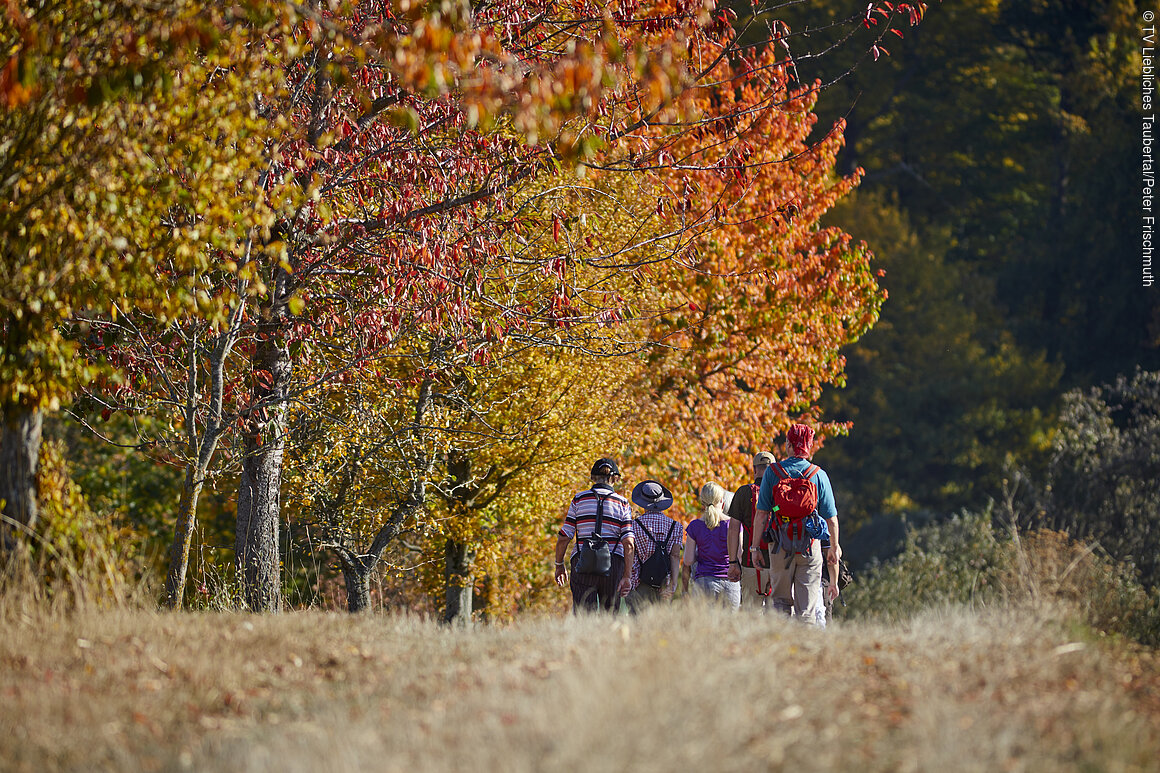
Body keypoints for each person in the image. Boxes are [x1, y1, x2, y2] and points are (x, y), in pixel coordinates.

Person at [750, 424, 841, 623]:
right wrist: (834, 547)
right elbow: (831, 519)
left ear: (789, 445)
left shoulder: (773, 472)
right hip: (809, 547)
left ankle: (782, 650)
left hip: (779, 546)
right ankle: (804, 651)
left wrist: (755, 547)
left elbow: (761, 514)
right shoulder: (818, 474)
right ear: (809, 446)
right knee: (807, 610)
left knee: (780, 603)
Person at [554, 457, 635, 613]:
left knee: (584, 616)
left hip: (582, 563)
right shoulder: (623, 503)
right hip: (613, 564)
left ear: (592, 477)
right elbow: (629, 542)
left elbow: (565, 536)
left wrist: (559, 565)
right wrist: (627, 576)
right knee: (611, 615)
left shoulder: (579, 499)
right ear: (615, 478)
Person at [624, 480, 683, 613]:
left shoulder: (633, 526)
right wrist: (673, 584)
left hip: (638, 582)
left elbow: (629, 551)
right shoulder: (676, 527)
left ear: (642, 502)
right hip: (664, 584)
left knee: (637, 624)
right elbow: (674, 556)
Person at [726, 451, 775, 610]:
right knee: (778, 614)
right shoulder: (781, 492)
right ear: (773, 469)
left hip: (750, 562)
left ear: (754, 469)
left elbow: (733, 528)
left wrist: (733, 562)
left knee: (750, 614)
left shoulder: (743, 492)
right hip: (778, 563)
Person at [682, 481, 741, 609]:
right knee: (730, 627)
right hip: (730, 582)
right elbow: (740, 555)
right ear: (722, 500)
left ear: (702, 502)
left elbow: (688, 560)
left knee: (705, 628)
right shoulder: (734, 524)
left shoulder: (694, 526)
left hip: (704, 582)